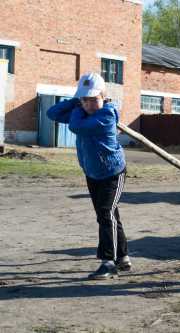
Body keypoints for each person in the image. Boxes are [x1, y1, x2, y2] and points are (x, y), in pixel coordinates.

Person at [47, 72, 131, 280]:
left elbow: (76, 127)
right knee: (110, 215)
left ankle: (108, 262)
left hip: (112, 173)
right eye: (85, 99)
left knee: (105, 214)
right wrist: (76, 102)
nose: (90, 104)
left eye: (94, 99)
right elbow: (52, 113)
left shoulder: (106, 116)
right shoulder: (82, 111)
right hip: (93, 172)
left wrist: (77, 108)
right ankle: (123, 257)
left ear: (104, 96)